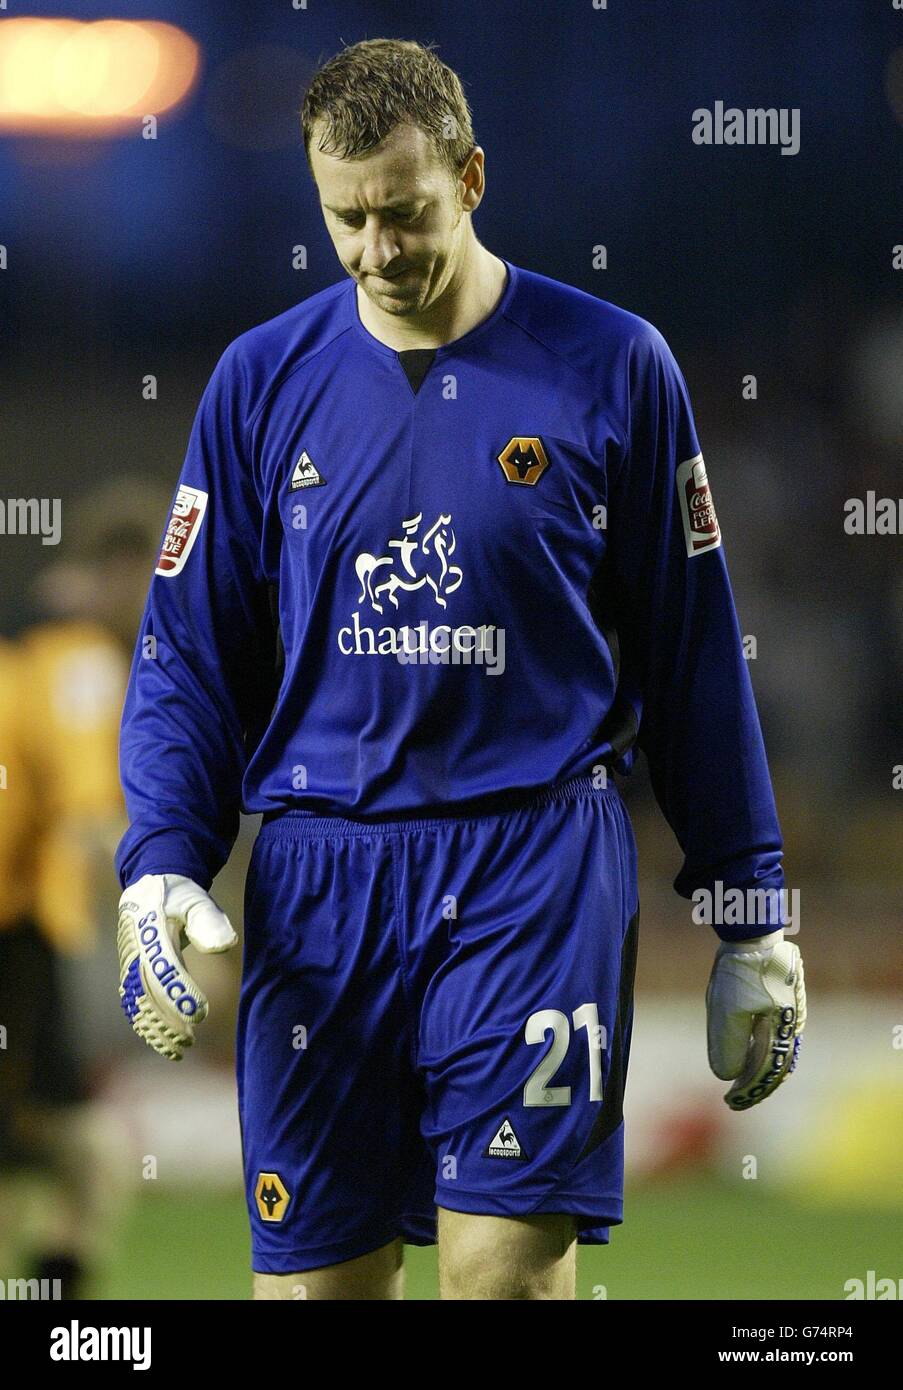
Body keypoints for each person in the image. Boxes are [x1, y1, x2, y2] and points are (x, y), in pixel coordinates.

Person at [115, 38, 805, 1301]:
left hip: (534, 869)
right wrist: (160, 858)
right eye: (346, 219)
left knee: (503, 1287)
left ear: (473, 177)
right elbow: (189, 656)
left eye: (405, 211)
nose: (378, 249)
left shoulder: (614, 367)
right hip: (322, 878)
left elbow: (696, 651)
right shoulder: (260, 383)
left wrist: (750, 909)